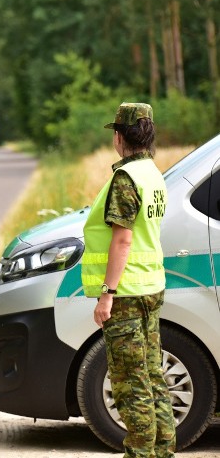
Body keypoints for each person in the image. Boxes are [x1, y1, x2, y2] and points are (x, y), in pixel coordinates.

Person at [81, 102, 175, 458]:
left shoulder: (126, 179)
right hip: (151, 287)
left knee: (129, 384)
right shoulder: (153, 173)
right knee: (152, 377)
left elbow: (123, 239)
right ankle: (163, 451)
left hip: (127, 293)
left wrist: (107, 294)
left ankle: (140, 454)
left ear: (119, 137)